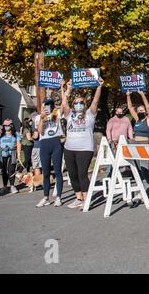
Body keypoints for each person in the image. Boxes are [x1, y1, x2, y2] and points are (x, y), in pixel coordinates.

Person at [62, 78, 103, 209]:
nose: (78, 104)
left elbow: (95, 100)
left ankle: (87, 198)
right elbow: (63, 104)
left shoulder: (90, 114)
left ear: (84, 104)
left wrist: (99, 87)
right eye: (76, 103)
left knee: (82, 174)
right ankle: (78, 198)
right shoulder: (69, 115)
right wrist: (68, 89)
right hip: (69, 148)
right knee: (72, 174)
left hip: (85, 149)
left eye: (81, 102)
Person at [126, 90, 149, 204]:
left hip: (144, 145)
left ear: (145, 112)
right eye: (139, 110)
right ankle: (140, 193)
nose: (141, 112)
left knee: (145, 171)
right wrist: (128, 95)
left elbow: (147, 106)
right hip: (135, 146)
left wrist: (142, 94)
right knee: (137, 171)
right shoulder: (137, 119)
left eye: (142, 110)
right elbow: (130, 108)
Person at [35, 97, 64, 208]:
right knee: (46, 172)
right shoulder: (38, 117)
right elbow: (40, 131)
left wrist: (65, 91)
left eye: (50, 104)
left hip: (56, 142)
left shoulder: (56, 113)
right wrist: (42, 118)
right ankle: (46, 197)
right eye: (46, 104)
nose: (48, 106)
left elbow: (63, 105)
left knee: (57, 171)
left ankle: (58, 197)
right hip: (44, 144)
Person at [0, 119, 22, 194]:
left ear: (11, 125)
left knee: (11, 170)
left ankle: (12, 186)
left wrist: (19, 155)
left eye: (8, 125)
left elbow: (19, 144)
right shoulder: (1, 133)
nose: (6, 127)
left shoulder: (16, 134)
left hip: (12, 153)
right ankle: (5, 186)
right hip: (3, 154)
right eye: (5, 125)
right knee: (4, 170)